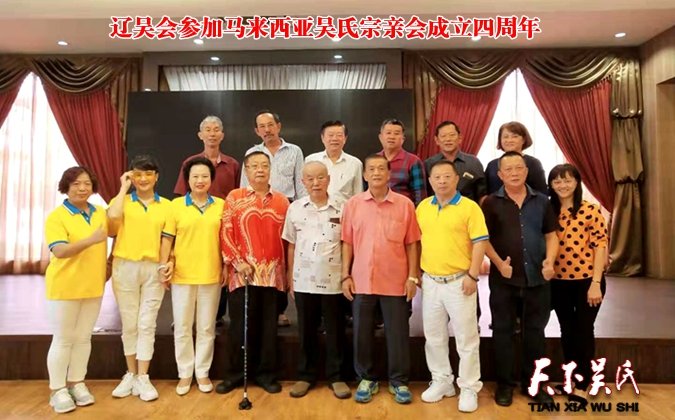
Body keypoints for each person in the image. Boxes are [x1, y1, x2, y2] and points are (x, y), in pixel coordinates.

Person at [341, 154, 421, 405]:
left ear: (389, 174)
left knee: (398, 333)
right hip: (362, 279)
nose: (376, 173)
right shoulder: (353, 204)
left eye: (381, 169)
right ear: (365, 175)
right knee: (361, 333)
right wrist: (345, 275)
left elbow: (412, 243)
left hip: (396, 280)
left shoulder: (404, 205)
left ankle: (399, 381)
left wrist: (412, 276)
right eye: (371, 169)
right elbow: (347, 243)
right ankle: (366, 378)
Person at [481, 151, 559, 406]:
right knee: (502, 332)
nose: (514, 173)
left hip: (537, 278)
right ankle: (504, 385)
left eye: (518, 168)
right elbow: (483, 239)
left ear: (526, 171)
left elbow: (551, 235)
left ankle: (533, 384)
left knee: (535, 333)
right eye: (508, 169)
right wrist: (497, 263)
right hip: (503, 280)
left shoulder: (543, 201)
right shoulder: (490, 203)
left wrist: (550, 261)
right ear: (500, 175)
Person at [416, 159, 488, 412]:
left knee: (466, 338)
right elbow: (417, 242)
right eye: (437, 177)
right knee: (434, 336)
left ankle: (468, 387)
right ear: (430, 181)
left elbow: (480, 242)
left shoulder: (469, 207)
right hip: (431, 281)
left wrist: (473, 275)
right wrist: (418, 274)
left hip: (460, 281)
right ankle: (442, 381)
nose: (442, 181)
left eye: (447, 176)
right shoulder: (423, 207)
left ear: (457, 179)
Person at [218, 151, 290, 395]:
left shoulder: (282, 201)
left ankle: (266, 374)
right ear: (246, 170)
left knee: (269, 328)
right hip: (242, 275)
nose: (260, 170)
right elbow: (226, 231)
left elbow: (287, 240)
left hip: (272, 276)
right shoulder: (235, 197)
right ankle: (235, 374)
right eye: (254, 166)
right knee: (240, 327)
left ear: (270, 169)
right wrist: (237, 262)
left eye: (264, 165)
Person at [283, 162, 351, 400]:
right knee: (306, 330)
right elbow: (291, 245)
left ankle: (337, 377)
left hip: (333, 280)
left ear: (328, 179)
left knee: (335, 330)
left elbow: (347, 243)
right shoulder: (295, 208)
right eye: (310, 179)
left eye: (320, 178)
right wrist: (290, 277)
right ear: (303, 182)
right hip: (303, 280)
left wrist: (346, 274)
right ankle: (305, 375)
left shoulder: (343, 207)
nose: (315, 183)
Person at [107, 155, 173, 402]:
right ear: (131, 176)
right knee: (129, 323)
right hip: (125, 266)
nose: (143, 179)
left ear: (156, 177)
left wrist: (168, 263)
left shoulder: (167, 205)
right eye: (137, 174)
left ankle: (143, 376)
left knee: (147, 323)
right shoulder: (121, 201)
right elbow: (111, 223)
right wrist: (123, 188)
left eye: (148, 174)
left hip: (153, 268)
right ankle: (130, 374)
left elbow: (169, 240)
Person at [44, 167, 108, 414]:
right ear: (66, 187)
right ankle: (57, 389)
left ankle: (77, 382)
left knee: (83, 338)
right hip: (65, 287)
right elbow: (59, 250)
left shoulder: (99, 212)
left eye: (87, 183)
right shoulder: (57, 217)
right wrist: (92, 240)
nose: (82, 188)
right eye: (76, 184)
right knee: (63, 339)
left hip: (93, 286)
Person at [162, 157, 225, 396]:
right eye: (195, 176)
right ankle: (185, 373)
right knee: (182, 326)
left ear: (211, 179)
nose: (200, 180)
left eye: (205, 176)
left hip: (211, 274)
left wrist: (226, 266)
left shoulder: (221, 205)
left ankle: (203, 372)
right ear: (187, 180)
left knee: (207, 327)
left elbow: (225, 240)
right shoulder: (175, 206)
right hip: (182, 275)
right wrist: (164, 265)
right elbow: (167, 239)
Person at [548, 164, 608, 407]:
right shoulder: (548, 211)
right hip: (558, 283)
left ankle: (583, 385)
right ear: (551, 185)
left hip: (587, 281)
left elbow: (600, 246)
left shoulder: (590, 210)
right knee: (567, 331)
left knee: (583, 331)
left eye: (567, 180)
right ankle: (570, 380)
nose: (562, 185)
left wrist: (596, 283)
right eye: (557, 181)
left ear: (576, 182)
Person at [173, 115, 240, 330]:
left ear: (222, 135)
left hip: (220, 222)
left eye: (216, 129)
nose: (212, 134)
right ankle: (185, 315)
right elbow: (180, 194)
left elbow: (237, 195)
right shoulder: (189, 163)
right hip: (193, 221)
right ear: (200, 135)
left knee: (219, 266)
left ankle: (216, 315)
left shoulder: (232, 164)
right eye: (208, 130)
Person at [240, 110, 305, 327]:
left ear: (278, 126)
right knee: (260, 256)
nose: (267, 130)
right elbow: (244, 185)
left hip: (285, 208)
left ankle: (280, 309)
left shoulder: (294, 151)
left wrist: (300, 212)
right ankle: (260, 306)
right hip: (256, 210)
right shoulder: (252, 152)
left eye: (270, 125)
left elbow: (301, 185)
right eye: (262, 126)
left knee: (282, 258)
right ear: (256, 131)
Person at [424, 121, 487, 203]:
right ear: (437, 140)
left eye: (452, 135)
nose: (448, 139)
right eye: (443, 136)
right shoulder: (429, 164)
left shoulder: (473, 162)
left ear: (460, 138)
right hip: (438, 208)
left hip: (468, 209)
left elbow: (482, 194)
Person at [305, 120, 363, 203]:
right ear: (322, 138)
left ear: (345, 139)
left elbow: (358, 194)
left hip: (344, 209)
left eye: (339, 135)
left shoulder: (355, 163)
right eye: (330, 135)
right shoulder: (311, 160)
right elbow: (305, 191)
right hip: (316, 209)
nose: (334, 139)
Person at [485, 122, 547, 195]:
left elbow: (542, 192)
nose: (509, 140)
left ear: (523, 140)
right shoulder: (492, 165)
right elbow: (486, 192)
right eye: (505, 137)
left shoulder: (534, 163)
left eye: (514, 136)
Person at [377, 118, 426, 206]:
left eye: (396, 133)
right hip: (376, 209)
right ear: (381, 137)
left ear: (403, 139)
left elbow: (420, 195)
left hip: (402, 210)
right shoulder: (374, 160)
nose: (392, 137)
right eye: (388, 133)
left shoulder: (413, 161)